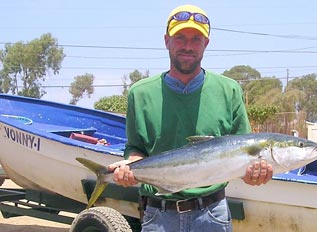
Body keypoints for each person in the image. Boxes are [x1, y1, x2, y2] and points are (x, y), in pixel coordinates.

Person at [109, 4, 273, 232]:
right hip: (158, 215)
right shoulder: (141, 93)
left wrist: (256, 175)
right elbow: (135, 148)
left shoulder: (229, 90)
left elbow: (243, 154)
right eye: (180, 38)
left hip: (212, 214)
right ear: (166, 40)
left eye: (196, 39)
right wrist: (130, 167)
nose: (188, 46)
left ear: (206, 44)